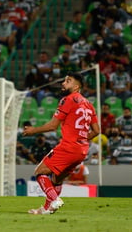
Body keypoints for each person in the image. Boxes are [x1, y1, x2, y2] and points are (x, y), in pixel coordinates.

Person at [23, 72, 100, 215]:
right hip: (82, 150)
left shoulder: (68, 100)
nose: (63, 83)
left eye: (68, 81)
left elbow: (53, 126)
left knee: (40, 172)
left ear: (76, 87)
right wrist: (81, 138)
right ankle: (47, 209)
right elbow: (96, 131)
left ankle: (54, 199)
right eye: (64, 80)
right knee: (57, 178)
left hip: (69, 146)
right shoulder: (89, 105)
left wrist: (34, 130)